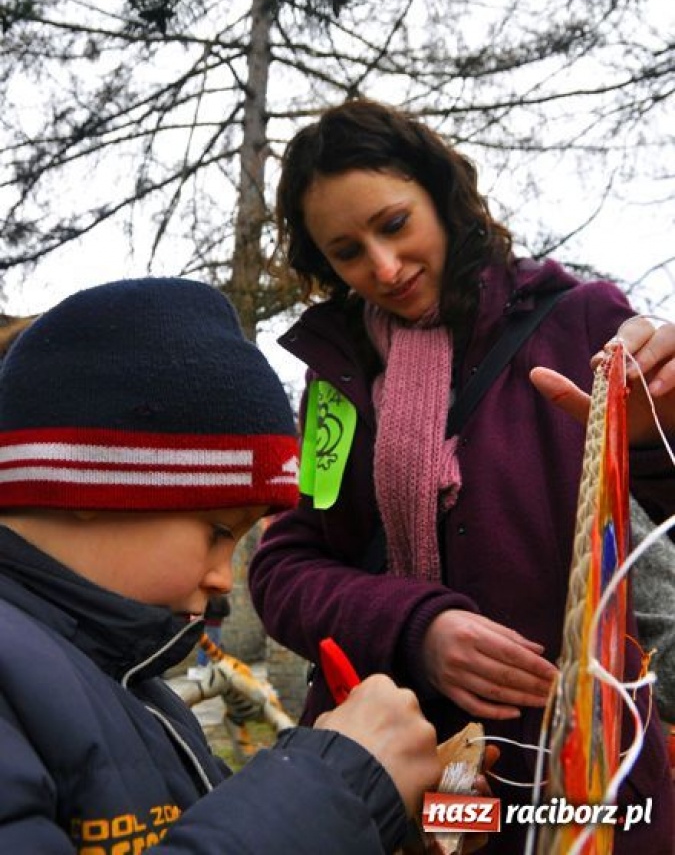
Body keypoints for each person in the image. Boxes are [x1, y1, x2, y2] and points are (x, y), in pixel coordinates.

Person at [248, 98, 675, 853]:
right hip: (407, 786)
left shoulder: (580, 323)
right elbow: (284, 566)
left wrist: (653, 439)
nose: (382, 268)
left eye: (392, 225)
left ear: (443, 201)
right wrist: (415, 626)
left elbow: (651, 519)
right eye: (347, 252)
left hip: (572, 778)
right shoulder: (334, 382)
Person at [0, 276, 442, 854]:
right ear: (91, 481)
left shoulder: (137, 690)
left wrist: (388, 814)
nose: (222, 580)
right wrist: (343, 786)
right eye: (217, 532)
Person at [189, 593, 230, 678]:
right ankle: (209, 668)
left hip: (207, 624)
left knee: (205, 646)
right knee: (213, 647)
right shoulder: (222, 598)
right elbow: (227, 612)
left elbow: (203, 611)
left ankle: (202, 668)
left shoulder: (208, 597)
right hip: (217, 625)